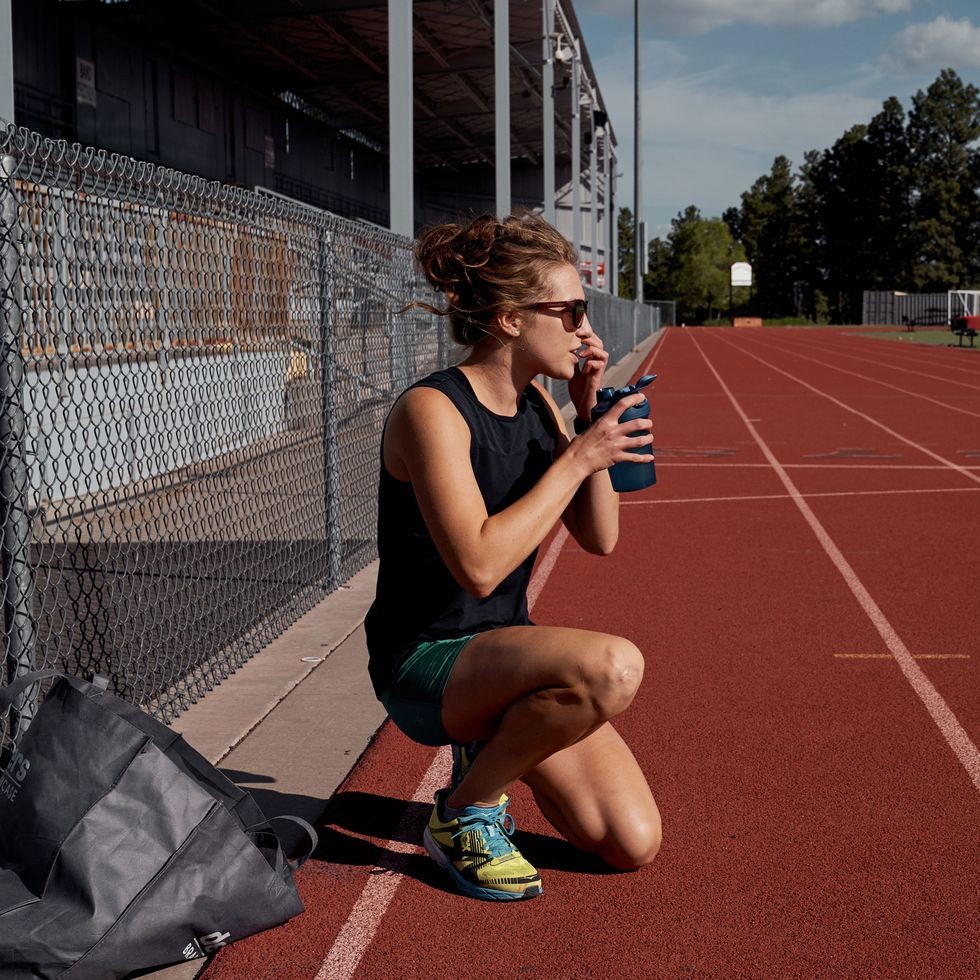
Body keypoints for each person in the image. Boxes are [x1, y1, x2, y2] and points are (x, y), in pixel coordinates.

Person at [364, 211, 661, 902]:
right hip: (425, 659)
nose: (586, 331)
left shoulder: (541, 408)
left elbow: (600, 539)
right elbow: (478, 567)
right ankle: (464, 811)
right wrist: (576, 460)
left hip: (501, 649)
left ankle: (485, 749)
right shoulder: (432, 410)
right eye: (571, 312)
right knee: (612, 667)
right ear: (508, 319)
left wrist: (587, 419)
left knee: (630, 841)